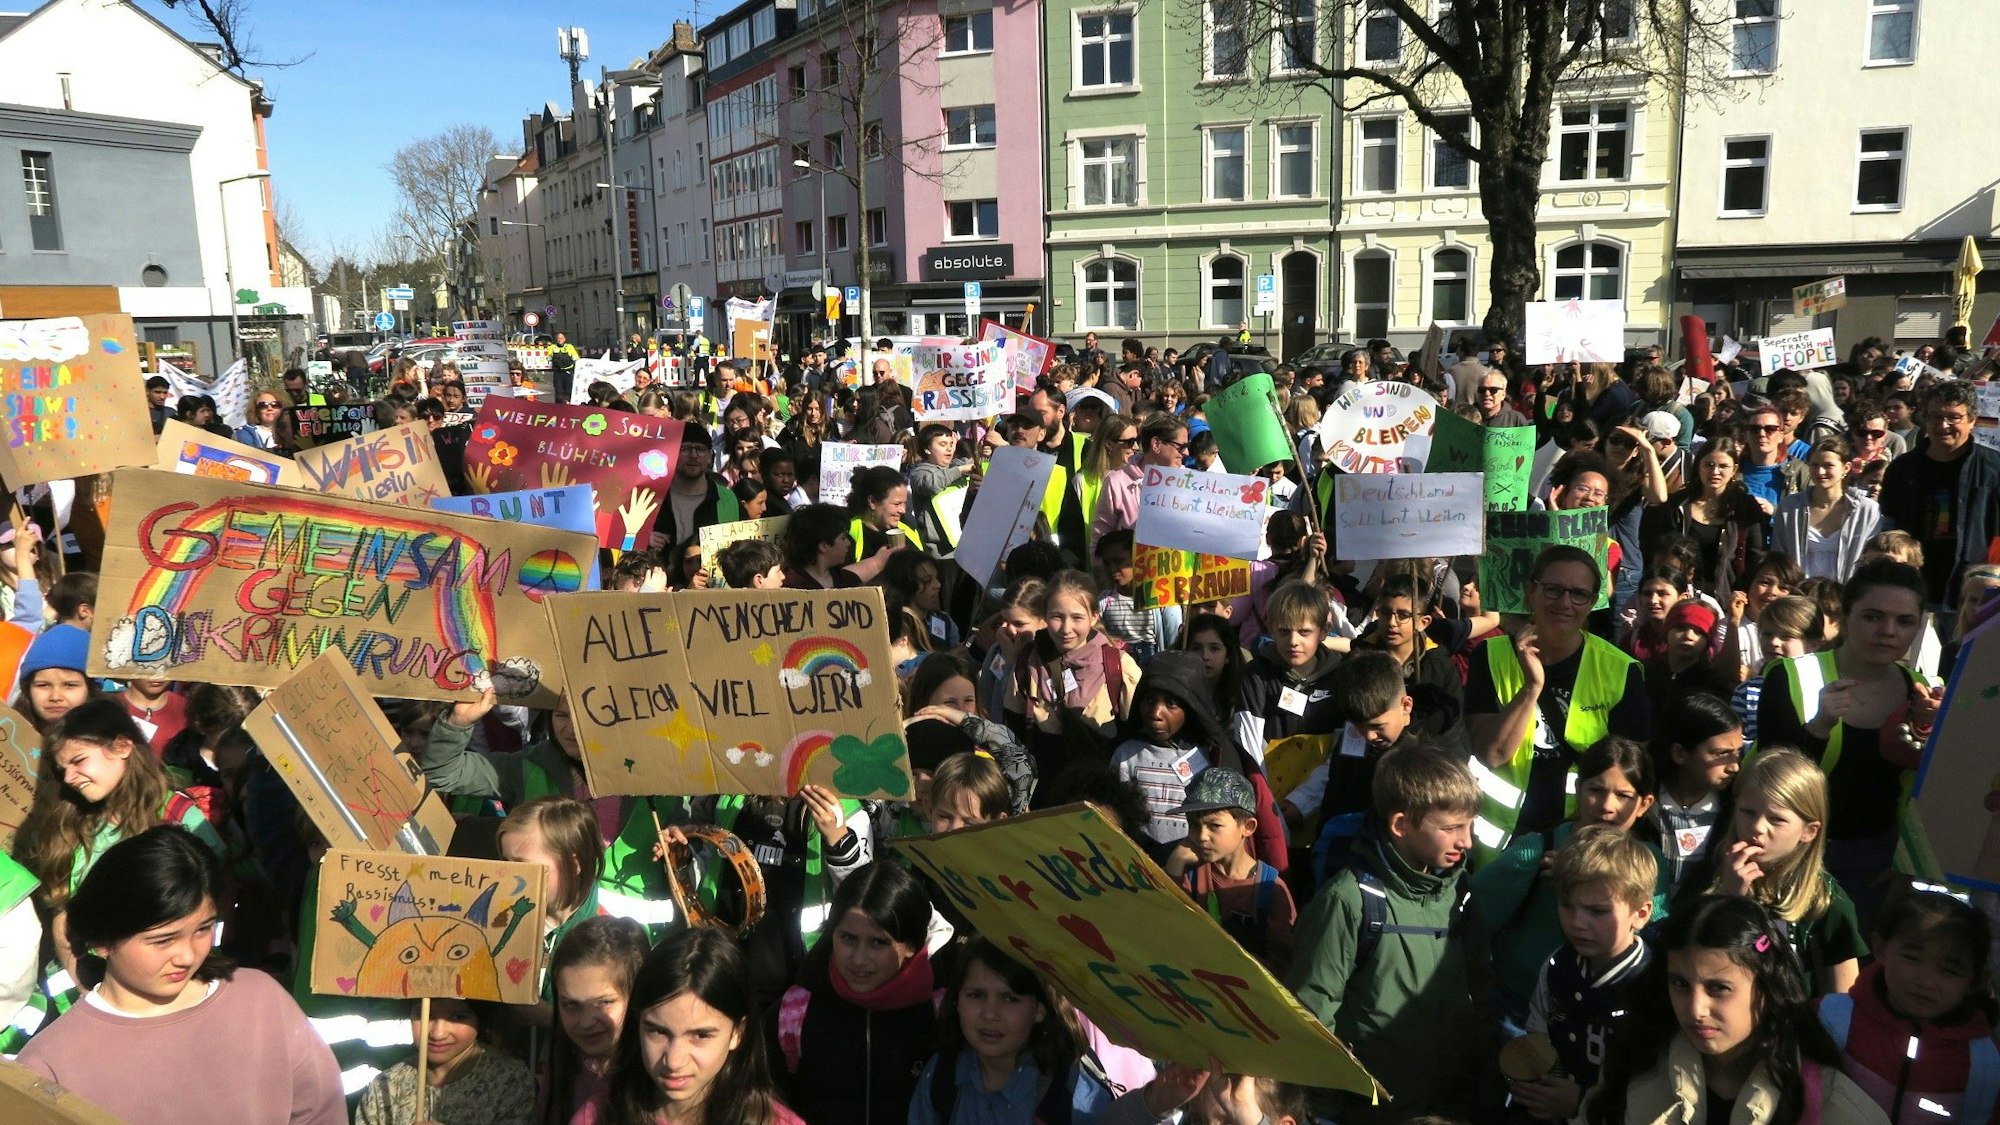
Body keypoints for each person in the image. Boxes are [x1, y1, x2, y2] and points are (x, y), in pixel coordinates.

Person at [15, 827, 344, 1124]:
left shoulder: (259, 1000)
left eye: (203, 929)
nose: (187, 955)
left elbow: (320, 1111)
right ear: (103, 942)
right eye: (162, 940)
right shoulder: (51, 1065)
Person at [1286, 746, 1492, 1123]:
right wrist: (1324, 1113)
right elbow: (1312, 1016)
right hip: (1372, 1113)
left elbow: (1482, 992)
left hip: (1448, 1108)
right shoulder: (1348, 901)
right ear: (1400, 825)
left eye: (1470, 826)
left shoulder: (1460, 892)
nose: (1466, 841)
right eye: (1451, 828)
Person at [1580, 895, 1888, 1125]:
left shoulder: (1838, 1108)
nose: (1696, 1009)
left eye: (1718, 988)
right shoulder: (1635, 1064)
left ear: (1767, 989)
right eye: (1680, 984)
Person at [1755, 559, 1941, 923]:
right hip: (1794, 857)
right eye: (1872, 616)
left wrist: (1908, 864)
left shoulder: (1922, 690)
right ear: (1844, 617)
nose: (1888, 631)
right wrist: (1820, 726)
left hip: (1881, 867)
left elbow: (1936, 791)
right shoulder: (1792, 676)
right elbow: (1770, 778)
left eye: (1904, 622)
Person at [1464, 545, 1650, 863]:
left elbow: (1630, 776)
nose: (1564, 603)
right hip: (1495, 848)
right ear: (1530, 592)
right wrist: (1532, 688)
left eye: (1578, 594)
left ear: (1592, 603)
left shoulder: (1622, 670)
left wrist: (1583, 840)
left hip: (1580, 842)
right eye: (1553, 590)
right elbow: (1493, 753)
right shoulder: (1489, 655)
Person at [1474, 736, 1668, 1029]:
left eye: (1623, 796)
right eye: (1595, 790)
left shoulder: (1649, 861)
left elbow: (1655, 930)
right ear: (1578, 789)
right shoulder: (1536, 851)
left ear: (1644, 804)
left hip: (1605, 1013)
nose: (1607, 806)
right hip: (1519, 1008)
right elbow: (1473, 917)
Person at [907, 936, 1201, 1124]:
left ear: (1039, 1009)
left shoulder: (1068, 1087)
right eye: (976, 995)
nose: (990, 1014)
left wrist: (1155, 1103)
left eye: (1010, 999)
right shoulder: (941, 1076)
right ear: (955, 1000)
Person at [1506, 825, 1660, 1123]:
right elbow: (1538, 1039)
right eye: (1567, 906)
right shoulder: (1556, 966)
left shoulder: (1654, 987)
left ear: (1641, 914)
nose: (1578, 922)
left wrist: (1582, 1102)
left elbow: (1656, 1088)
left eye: (1597, 911)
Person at [577, 926, 805, 1125]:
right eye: (658, 1031)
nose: (674, 1061)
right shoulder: (597, 1118)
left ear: (738, 1033)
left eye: (700, 1035)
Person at [1815, 882, 2000, 1124]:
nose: (1926, 981)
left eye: (1950, 971)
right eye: (1912, 958)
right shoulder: (1828, 1018)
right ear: (1880, 948)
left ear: (1976, 981)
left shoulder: (1984, 1064)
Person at [774, 862, 938, 1125]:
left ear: (912, 945)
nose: (859, 959)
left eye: (878, 942)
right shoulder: (796, 1011)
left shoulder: (942, 1014)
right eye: (848, 938)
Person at [1693, 749, 1866, 995]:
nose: (1757, 827)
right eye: (1748, 812)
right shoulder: (1710, 874)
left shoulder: (1827, 901)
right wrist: (1729, 900)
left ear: (1809, 831)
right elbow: (1688, 958)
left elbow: (1844, 1003)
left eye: (1776, 819)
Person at [1879, 381, 2000, 631]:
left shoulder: (1993, 469)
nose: (1943, 425)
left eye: (1953, 417)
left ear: (1972, 420)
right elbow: (1887, 529)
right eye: (1936, 416)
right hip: (1911, 591)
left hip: (1970, 597)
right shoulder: (1902, 469)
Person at [1001, 569, 1142, 783]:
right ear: (1045, 615)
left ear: (1094, 616)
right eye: (1057, 617)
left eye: (1077, 618)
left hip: (1102, 792)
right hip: (1044, 795)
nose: (1066, 629)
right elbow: (1011, 736)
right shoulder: (1027, 664)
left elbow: (1139, 737)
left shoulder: (1119, 667)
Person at [1174, 766, 1296, 977]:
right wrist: (1173, 867)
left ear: (1247, 827)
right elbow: (1166, 929)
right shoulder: (1190, 877)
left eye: (1214, 826)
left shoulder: (1270, 889)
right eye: (1194, 825)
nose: (1202, 836)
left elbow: (1284, 966)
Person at [354, 996, 537, 1125]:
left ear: (480, 1018)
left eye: (457, 1017)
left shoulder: (509, 1081)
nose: (437, 1033)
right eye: (425, 1015)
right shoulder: (385, 1087)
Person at [547, 916, 650, 1125]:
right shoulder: (562, 1063)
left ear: (636, 995)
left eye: (604, 1003)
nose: (586, 1022)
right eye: (571, 1005)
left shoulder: (658, 1078)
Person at [1640, 436, 1769, 598]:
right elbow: (1655, 549)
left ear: (1734, 469)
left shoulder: (1746, 507)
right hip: (1677, 593)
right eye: (1709, 465)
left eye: (1723, 466)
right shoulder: (1677, 505)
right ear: (1698, 466)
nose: (1715, 472)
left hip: (1726, 595)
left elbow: (1756, 555)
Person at [1649, 693, 1745, 895]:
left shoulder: (1736, 811)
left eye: (1738, 752)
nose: (1734, 766)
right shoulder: (1644, 807)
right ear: (1680, 754)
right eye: (1721, 754)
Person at [1776, 438, 1883, 584]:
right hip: (1800, 599)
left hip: (1846, 598)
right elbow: (1779, 560)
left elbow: (1872, 561)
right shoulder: (1789, 508)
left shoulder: (1866, 510)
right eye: (1814, 465)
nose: (1820, 471)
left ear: (1846, 468)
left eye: (1828, 465)